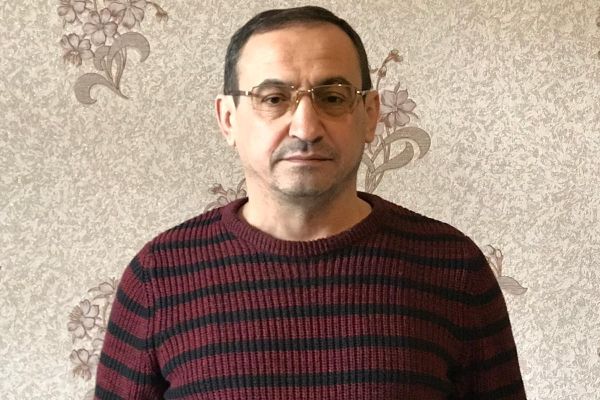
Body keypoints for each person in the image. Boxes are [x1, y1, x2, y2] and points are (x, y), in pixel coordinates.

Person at [94, 6, 527, 399]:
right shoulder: (159, 277)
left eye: (333, 97)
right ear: (228, 119)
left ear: (370, 115)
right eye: (273, 99)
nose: (305, 127)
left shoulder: (453, 268)